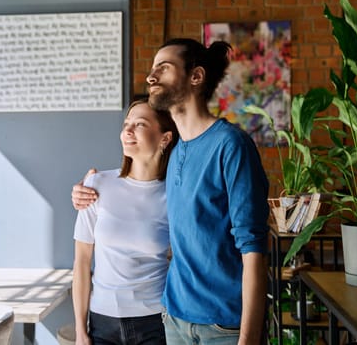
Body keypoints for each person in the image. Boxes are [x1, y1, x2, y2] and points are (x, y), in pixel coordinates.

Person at [72, 38, 270, 345]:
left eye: (163, 69)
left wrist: (248, 338)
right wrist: (86, 190)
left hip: (223, 327)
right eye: (152, 70)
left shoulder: (231, 145)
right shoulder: (178, 154)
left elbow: (254, 249)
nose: (151, 77)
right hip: (174, 320)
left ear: (196, 76)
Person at [72, 99, 178, 345]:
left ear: (165, 138)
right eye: (126, 124)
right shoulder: (95, 185)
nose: (127, 131)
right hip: (102, 323)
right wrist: (80, 329)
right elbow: (82, 262)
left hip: (155, 322)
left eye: (140, 124)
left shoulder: (173, 195)